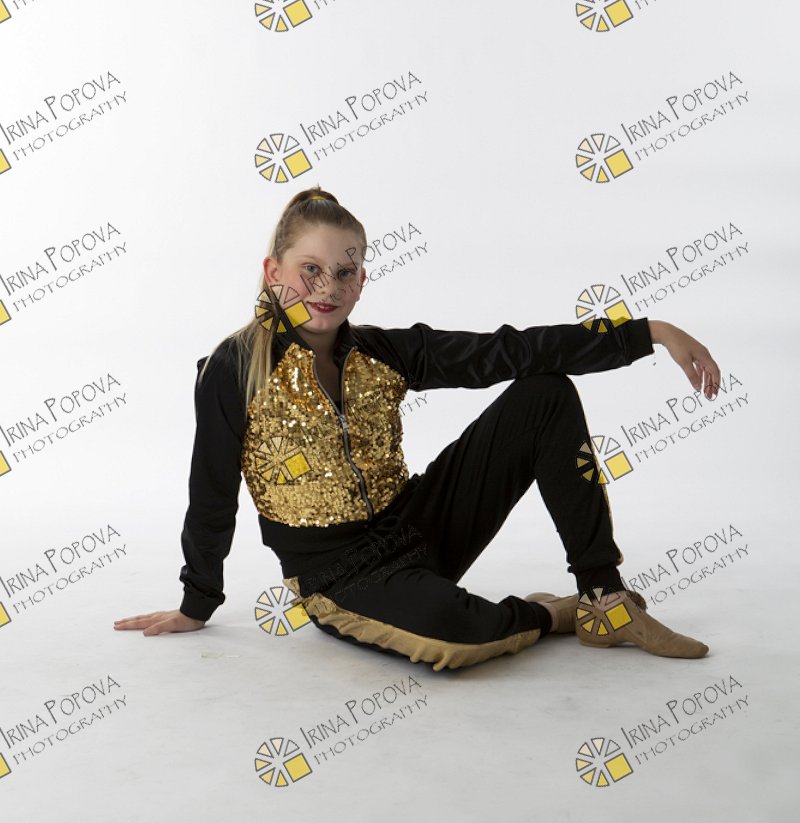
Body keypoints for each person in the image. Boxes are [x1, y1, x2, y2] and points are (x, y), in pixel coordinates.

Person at [114, 186, 722, 671]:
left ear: (362, 281)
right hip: (340, 575)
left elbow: (508, 351)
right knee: (459, 637)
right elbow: (211, 493)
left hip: (418, 527)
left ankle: (603, 599)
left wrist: (647, 333)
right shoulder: (233, 368)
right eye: (310, 269)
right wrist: (197, 603)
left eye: (345, 272)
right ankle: (553, 615)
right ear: (273, 271)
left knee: (545, 393)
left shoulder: (383, 352)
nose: (327, 288)